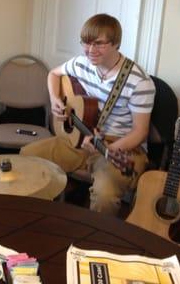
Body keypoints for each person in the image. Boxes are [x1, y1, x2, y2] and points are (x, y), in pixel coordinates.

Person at [21, 14, 155, 215]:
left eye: (99, 44)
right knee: (27, 157)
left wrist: (109, 148)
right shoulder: (81, 64)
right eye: (86, 43)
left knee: (104, 195)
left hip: (121, 146)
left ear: (116, 43)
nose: (90, 50)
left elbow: (140, 131)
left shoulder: (139, 82)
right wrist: (55, 99)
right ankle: (40, 219)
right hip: (80, 138)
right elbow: (53, 74)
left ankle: (94, 243)